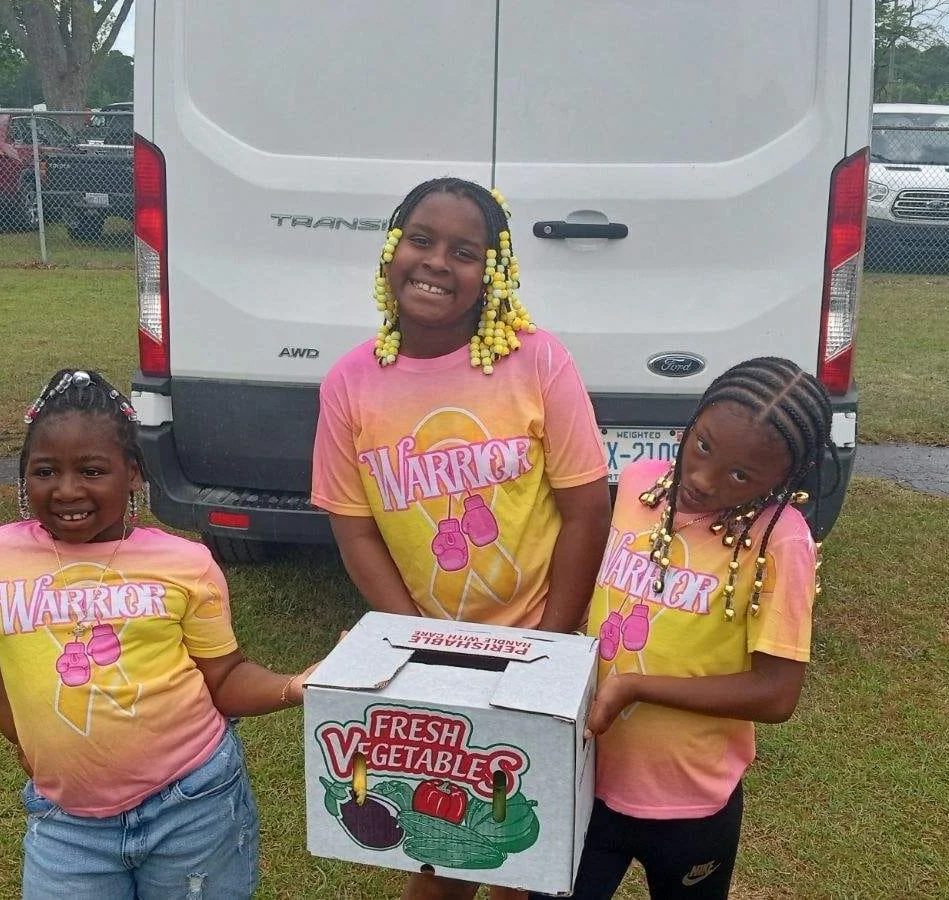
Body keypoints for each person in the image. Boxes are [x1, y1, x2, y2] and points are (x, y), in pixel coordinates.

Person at [0, 368, 309, 900]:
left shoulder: (186, 564)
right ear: (24, 476)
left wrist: (294, 685)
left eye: (92, 470)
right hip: (67, 822)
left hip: (193, 803)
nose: (67, 490)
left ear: (133, 473)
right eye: (45, 471)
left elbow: (225, 678)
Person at [311, 178, 612, 899]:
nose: (437, 262)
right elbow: (355, 531)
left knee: (522, 845)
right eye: (420, 239)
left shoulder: (538, 361)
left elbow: (586, 510)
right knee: (439, 843)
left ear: (493, 274)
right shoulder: (350, 384)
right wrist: (418, 646)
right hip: (431, 654)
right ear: (392, 250)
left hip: (540, 637)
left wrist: (549, 647)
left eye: (465, 251)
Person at [573, 357, 836, 900]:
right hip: (587, 776)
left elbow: (776, 693)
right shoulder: (641, 484)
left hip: (690, 803)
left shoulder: (780, 540)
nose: (701, 478)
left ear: (786, 478)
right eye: (703, 445)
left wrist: (636, 686)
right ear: (692, 421)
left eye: (740, 476)